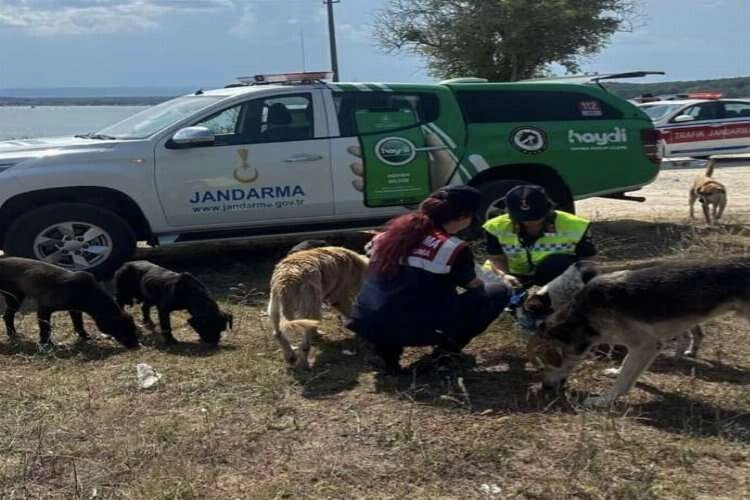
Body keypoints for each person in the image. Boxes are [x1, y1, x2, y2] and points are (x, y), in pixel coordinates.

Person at [345, 185, 511, 373]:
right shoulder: (452, 247)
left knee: (394, 296)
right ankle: (446, 353)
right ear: (464, 216)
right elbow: (474, 286)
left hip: (366, 320)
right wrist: (500, 280)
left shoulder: (386, 236)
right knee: (497, 292)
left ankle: (384, 353)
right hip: (415, 328)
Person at [482, 184, 596, 289]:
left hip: (553, 272)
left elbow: (588, 260)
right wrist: (504, 276)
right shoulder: (495, 227)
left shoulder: (576, 225)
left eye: (536, 217)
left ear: (549, 209)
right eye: (522, 218)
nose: (529, 222)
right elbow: (497, 258)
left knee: (558, 263)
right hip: (511, 273)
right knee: (492, 287)